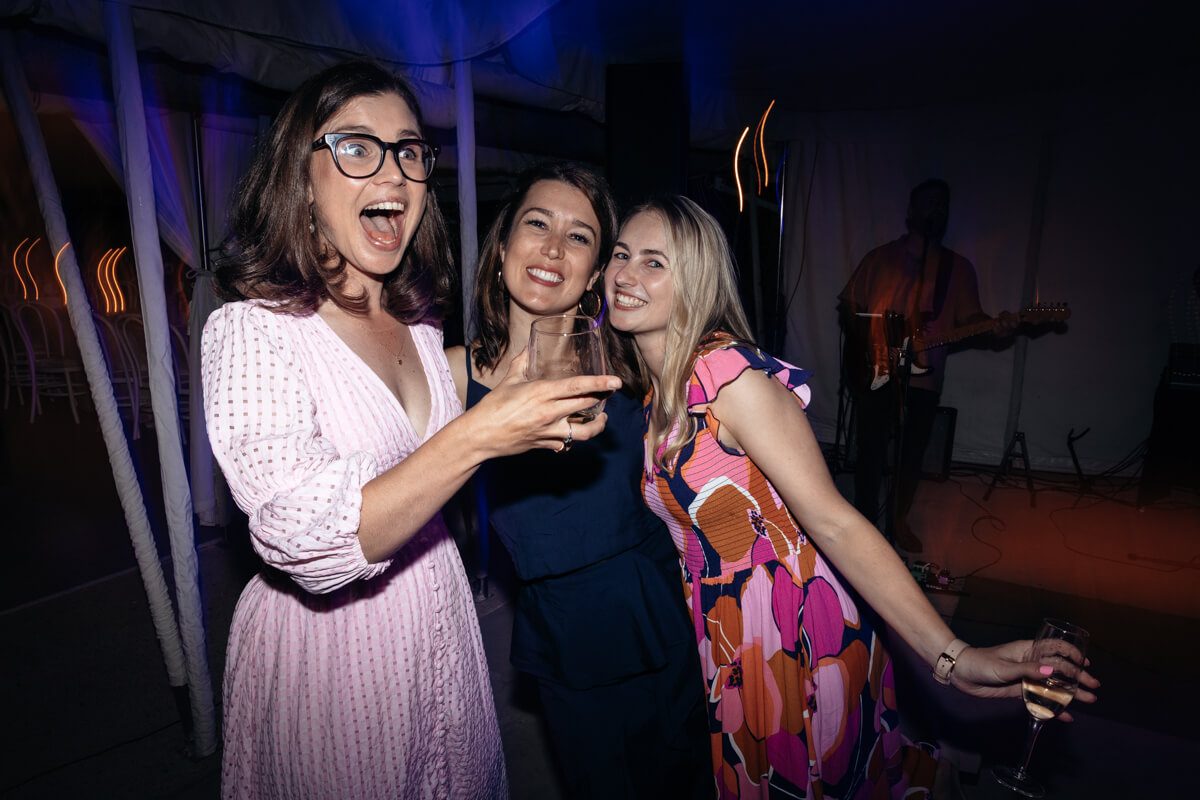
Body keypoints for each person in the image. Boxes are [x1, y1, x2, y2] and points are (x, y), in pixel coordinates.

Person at [202, 62, 618, 800]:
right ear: (301, 178)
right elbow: (302, 539)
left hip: (435, 612)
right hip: (332, 649)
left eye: (409, 151)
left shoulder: (420, 330)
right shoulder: (254, 329)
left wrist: (519, 413)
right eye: (358, 147)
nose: (393, 170)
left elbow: (430, 472)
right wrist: (481, 433)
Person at [605, 195, 1098, 799]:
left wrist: (952, 655)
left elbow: (835, 523)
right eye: (621, 254)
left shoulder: (727, 377)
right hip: (726, 628)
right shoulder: (658, 392)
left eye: (654, 261)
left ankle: (930, 775)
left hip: (789, 624)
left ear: (695, 279)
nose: (625, 274)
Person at [446, 163, 711, 799]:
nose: (553, 249)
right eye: (537, 224)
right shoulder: (452, 374)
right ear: (502, 246)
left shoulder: (629, 361)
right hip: (562, 631)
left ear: (594, 273)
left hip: (657, 614)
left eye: (580, 237)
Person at [838, 179, 1016, 552]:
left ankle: (898, 520)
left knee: (912, 455)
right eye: (929, 202)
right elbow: (849, 305)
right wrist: (867, 345)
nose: (937, 208)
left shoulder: (959, 269)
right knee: (870, 450)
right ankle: (864, 522)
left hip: (924, 380)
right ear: (910, 212)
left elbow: (971, 318)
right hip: (876, 373)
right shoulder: (879, 258)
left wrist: (994, 327)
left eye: (942, 204)